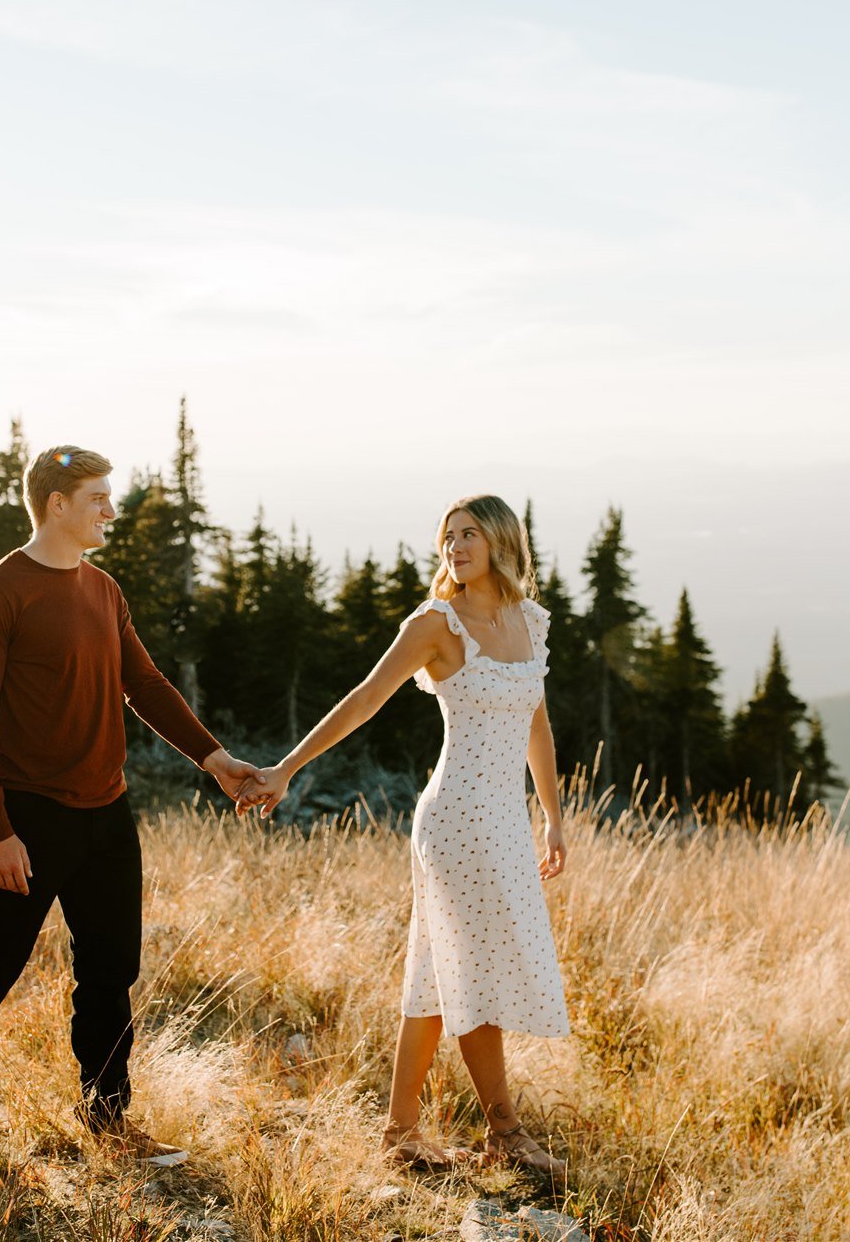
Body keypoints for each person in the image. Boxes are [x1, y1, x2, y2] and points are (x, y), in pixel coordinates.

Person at [0, 445, 268, 1159]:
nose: (110, 509)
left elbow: (145, 686)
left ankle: (108, 1119)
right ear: (57, 504)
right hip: (28, 815)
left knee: (111, 969)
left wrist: (215, 759)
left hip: (106, 813)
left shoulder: (103, 590)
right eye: (97, 498)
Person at [240, 493, 571, 1183]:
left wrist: (553, 816)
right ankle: (504, 1130)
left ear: (503, 540)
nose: (455, 545)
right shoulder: (435, 623)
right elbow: (364, 698)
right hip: (454, 819)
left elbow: (536, 725)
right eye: (448, 535)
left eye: (470, 533)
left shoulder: (528, 621)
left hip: (506, 822)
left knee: (436, 969)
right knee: (469, 967)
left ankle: (399, 1129)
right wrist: (286, 768)